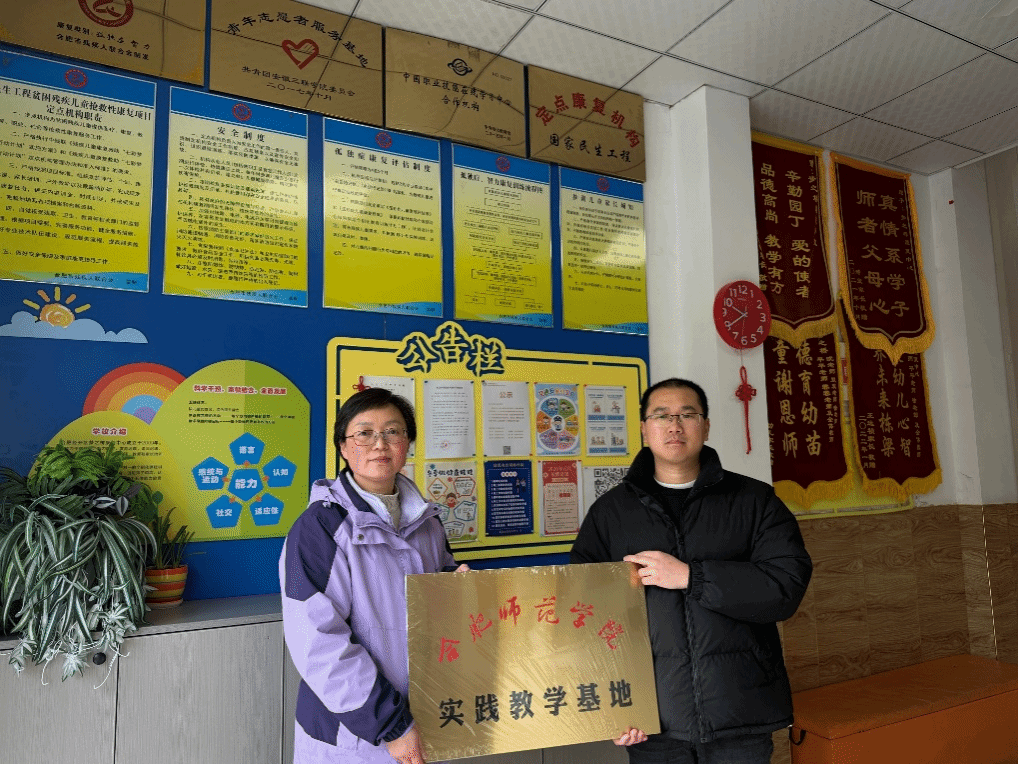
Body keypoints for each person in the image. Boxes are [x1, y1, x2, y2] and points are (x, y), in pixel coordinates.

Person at [571, 378, 813, 763]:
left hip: (740, 714)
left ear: (706, 426)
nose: (674, 425)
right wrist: (611, 704)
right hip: (653, 720)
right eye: (662, 416)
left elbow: (785, 588)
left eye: (688, 414)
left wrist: (691, 577)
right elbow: (585, 613)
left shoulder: (754, 501)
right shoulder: (610, 512)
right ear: (644, 429)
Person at [280, 387, 467, 764]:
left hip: (426, 716)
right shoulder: (321, 527)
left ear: (407, 443)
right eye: (364, 433)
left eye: (393, 431)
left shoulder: (426, 520)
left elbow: (437, 589)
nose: (380, 444)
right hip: (355, 733)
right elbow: (317, 641)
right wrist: (391, 725)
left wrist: (457, 587)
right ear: (343, 447)